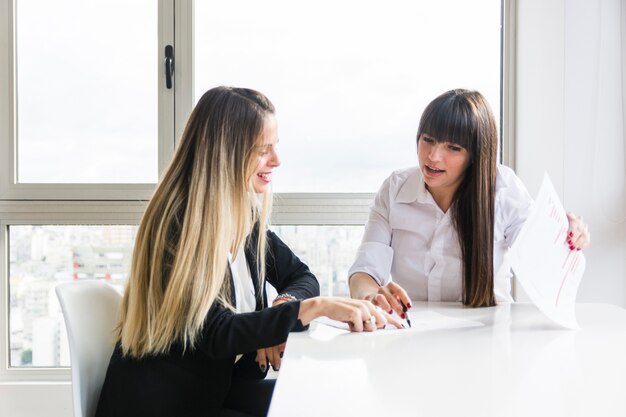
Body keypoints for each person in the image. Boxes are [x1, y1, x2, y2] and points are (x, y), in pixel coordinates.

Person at [95, 86, 397, 417]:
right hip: (167, 403)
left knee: (323, 400)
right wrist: (311, 310)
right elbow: (215, 332)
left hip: (216, 390)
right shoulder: (179, 223)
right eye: (262, 150)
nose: (276, 160)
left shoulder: (241, 213)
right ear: (226, 152)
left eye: (275, 147)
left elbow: (300, 276)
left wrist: (284, 307)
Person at [348, 89, 591, 315]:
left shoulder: (503, 190)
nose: (433, 156)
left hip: (488, 332)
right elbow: (365, 270)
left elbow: (541, 260)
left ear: (476, 155)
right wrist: (370, 295)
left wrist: (565, 237)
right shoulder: (395, 189)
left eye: (453, 148)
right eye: (428, 139)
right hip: (412, 331)